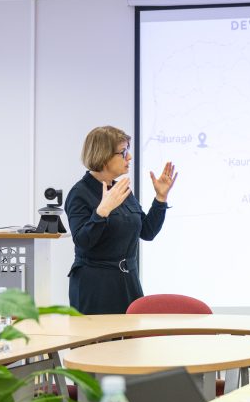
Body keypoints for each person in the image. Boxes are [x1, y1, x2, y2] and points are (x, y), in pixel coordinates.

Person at [64, 126, 177, 314]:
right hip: (95, 286)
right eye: (123, 152)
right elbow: (83, 241)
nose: (129, 157)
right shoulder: (79, 193)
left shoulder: (121, 190)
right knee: (100, 335)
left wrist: (160, 199)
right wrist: (102, 212)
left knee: (133, 333)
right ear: (103, 156)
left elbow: (147, 232)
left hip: (128, 282)